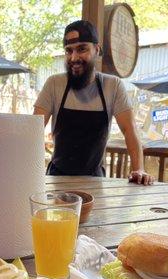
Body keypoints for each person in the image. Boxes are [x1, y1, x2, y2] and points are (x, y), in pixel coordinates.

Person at [34, 20, 153, 185]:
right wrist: (29, 171)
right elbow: (33, 129)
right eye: (69, 51)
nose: (74, 57)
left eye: (82, 49)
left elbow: (130, 129)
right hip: (57, 177)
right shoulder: (54, 83)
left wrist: (139, 169)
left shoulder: (113, 85)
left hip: (95, 179)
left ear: (96, 50)